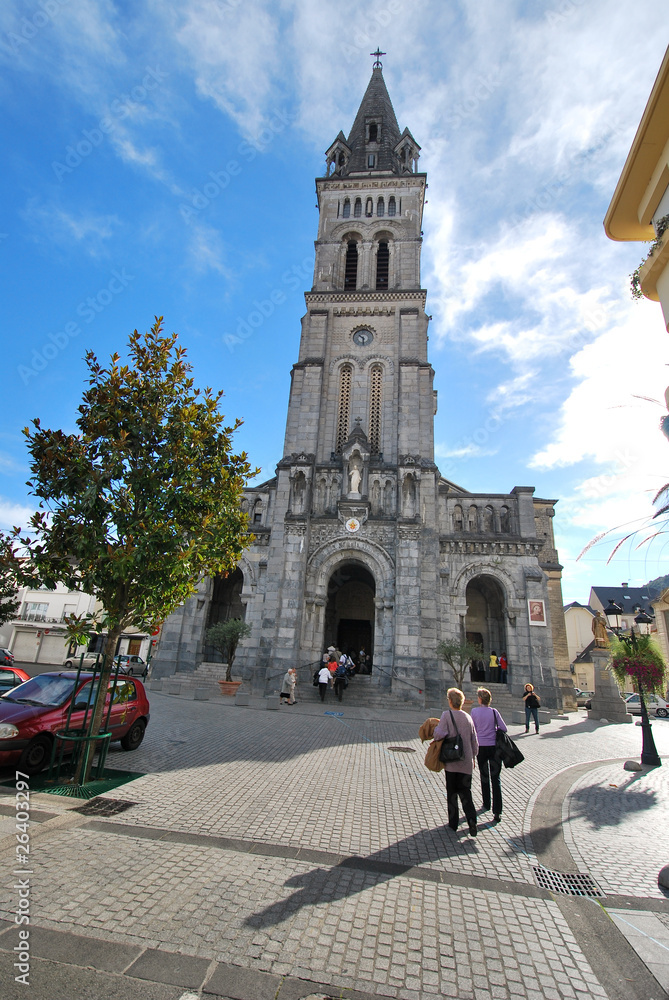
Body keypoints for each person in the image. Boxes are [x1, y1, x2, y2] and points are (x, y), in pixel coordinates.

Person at [433, 688, 479, 836]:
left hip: (452, 761)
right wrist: (473, 757)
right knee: (466, 792)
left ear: (450, 701)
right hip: (466, 762)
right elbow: (474, 741)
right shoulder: (468, 717)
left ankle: (453, 823)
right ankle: (471, 819)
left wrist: (435, 730)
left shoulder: (446, 715)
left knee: (452, 792)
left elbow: (440, 734)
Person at [470, 687, 506, 823]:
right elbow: (504, 728)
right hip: (494, 749)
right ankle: (497, 812)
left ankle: (486, 803)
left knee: (484, 775)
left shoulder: (474, 711)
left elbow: (472, 728)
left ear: (480, 699)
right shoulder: (494, 712)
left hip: (481, 748)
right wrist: (493, 729)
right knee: (496, 779)